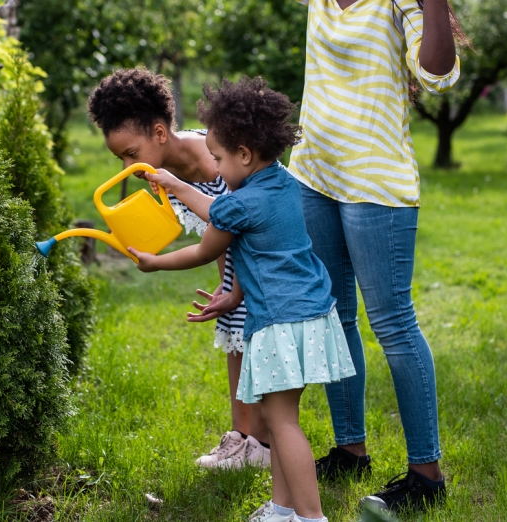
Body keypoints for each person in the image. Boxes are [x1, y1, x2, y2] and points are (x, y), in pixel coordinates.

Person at [129, 76, 356, 522]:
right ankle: (281, 508)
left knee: (282, 423)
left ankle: (311, 517)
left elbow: (207, 242)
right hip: (310, 313)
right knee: (278, 417)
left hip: (279, 321)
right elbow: (264, 254)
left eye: (217, 158)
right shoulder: (284, 184)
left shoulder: (240, 201)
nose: (213, 167)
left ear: (245, 155)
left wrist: (157, 254)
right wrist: (233, 294)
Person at [288, 0, 467, 513]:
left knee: (392, 324)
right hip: (313, 176)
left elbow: (437, 76)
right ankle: (350, 449)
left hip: (376, 185)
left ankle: (426, 475)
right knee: (333, 315)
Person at [86, 67, 271, 469]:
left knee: (253, 329)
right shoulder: (165, 176)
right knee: (233, 328)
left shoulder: (215, 163)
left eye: (130, 154)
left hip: (269, 258)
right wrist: (228, 289)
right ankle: (241, 438)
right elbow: (217, 234)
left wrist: (238, 289)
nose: (125, 167)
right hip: (240, 262)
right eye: (119, 158)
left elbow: (247, 231)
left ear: (159, 133)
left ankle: (262, 442)